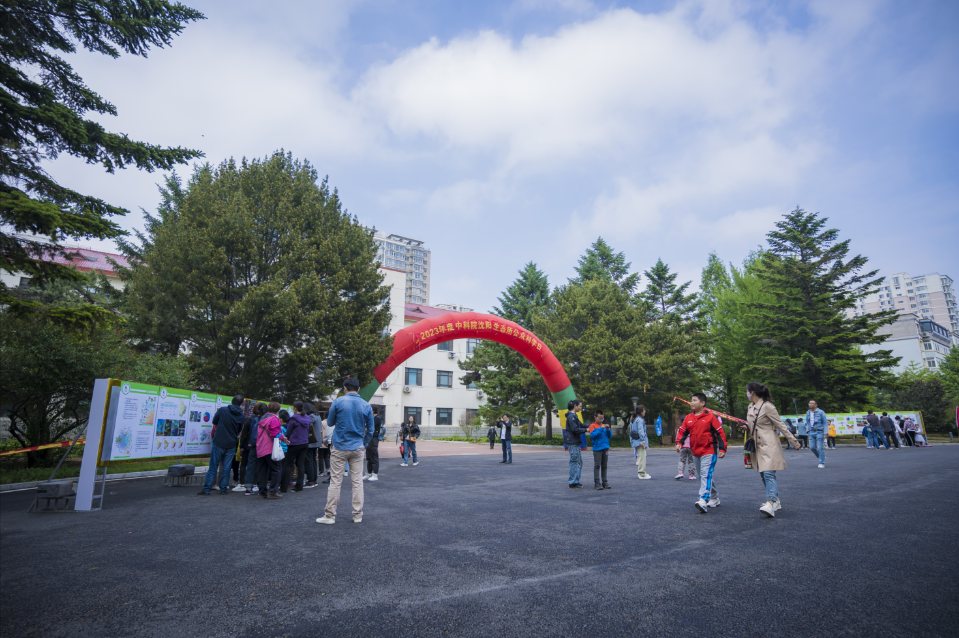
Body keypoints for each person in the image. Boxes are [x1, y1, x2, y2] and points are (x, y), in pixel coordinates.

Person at [316, 377, 374, 525]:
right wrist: (364, 443)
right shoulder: (366, 405)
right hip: (357, 447)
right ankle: (357, 515)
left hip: (340, 446)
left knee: (335, 481)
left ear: (344, 388)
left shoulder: (338, 402)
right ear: (359, 389)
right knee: (357, 482)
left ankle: (330, 515)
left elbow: (330, 422)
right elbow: (371, 430)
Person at [744, 383, 802, 518]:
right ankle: (775, 500)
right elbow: (754, 425)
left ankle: (770, 503)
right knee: (763, 474)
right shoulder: (750, 407)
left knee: (768, 473)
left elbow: (780, 425)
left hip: (769, 444)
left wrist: (794, 442)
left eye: (747, 391)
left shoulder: (768, 406)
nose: (746, 394)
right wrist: (746, 427)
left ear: (752, 392)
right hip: (757, 445)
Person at [675, 393, 727, 513]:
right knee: (703, 475)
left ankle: (703, 500)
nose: (691, 402)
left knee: (705, 474)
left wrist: (722, 449)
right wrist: (679, 443)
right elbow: (683, 431)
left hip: (709, 450)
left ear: (703, 403)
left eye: (694, 400)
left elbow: (720, 433)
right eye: (691, 400)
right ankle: (714, 497)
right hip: (695, 451)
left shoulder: (710, 417)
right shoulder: (688, 418)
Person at [199, 395, 244, 495]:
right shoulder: (241, 415)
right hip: (231, 443)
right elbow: (239, 430)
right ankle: (223, 488)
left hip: (219, 441)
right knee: (227, 467)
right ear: (241, 404)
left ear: (231, 401)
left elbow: (214, 421)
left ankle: (207, 489)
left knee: (213, 466)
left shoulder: (222, 410)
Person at [255, 403, 287, 499]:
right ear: (278, 411)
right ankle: (273, 491)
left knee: (262, 470)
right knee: (277, 469)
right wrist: (283, 438)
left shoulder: (262, 418)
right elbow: (275, 434)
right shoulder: (274, 419)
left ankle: (262, 492)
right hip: (270, 448)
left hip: (260, 447)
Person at [279, 401, 311, 492]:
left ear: (295, 408)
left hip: (294, 443)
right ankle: (299, 487)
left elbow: (288, 432)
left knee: (288, 464)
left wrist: (287, 439)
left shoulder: (293, 419)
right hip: (304, 443)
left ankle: (284, 488)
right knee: (300, 464)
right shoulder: (308, 418)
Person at [240, 402, 266, 495]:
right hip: (263, 445)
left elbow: (247, 433)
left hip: (252, 445)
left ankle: (248, 487)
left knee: (250, 465)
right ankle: (260, 486)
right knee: (262, 466)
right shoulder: (267, 420)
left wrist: (242, 446)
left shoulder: (253, 420)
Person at [564, 399, 587, 488]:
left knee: (579, 461)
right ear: (575, 406)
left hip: (575, 442)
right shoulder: (571, 417)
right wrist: (586, 430)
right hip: (572, 442)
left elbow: (581, 425)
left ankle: (575, 481)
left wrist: (593, 425)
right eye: (580, 406)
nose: (581, 408)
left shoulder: (574, 416)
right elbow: (575, 429)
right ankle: (573, 482)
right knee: (575, 462)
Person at [587, 410, 612, 490]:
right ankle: (597, 483)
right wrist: (601, 428)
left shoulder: (603, 425)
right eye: (599, 418)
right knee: (597, 466)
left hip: (605, 448)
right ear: (595, 417)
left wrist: (608, 429)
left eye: (602, 418)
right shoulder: (592, 426)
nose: (601, 420)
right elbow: (593, 435)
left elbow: (609, 436)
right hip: (597, 449)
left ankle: (605, 481)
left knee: (604, 466)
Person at [303, 402, 322, 488]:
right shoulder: (317, 415)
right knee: (313, 460)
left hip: (310, 441)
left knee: (309, 461)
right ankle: (314, 479)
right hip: (316, 441)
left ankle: (310, 480)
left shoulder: (310, 416)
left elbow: (307, 426)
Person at [630, 405, 651, 480]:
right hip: (640, 441)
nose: (645, 412)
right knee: (642, 457)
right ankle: (642, 473)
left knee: (641, 456)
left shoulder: (634, 419)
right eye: (644, 410)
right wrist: (643, 441)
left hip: (635, 441)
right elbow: (641, 431)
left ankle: (641, 472)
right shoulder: (640, 420)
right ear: (641, 412)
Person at [806, 400, 827, 468]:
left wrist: (826, 432)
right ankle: (821, 456)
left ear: (816, 405)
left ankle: (821, 462)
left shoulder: (821, 412)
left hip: (819, 432)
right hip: (811, 432)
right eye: (809, 403)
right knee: (812, 447)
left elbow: (825, 422)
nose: (810, 404)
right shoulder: (808, 412)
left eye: (812, 403)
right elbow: (807, 422)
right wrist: (808, 430)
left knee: (820, 448)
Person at [364, 405, 381, 481]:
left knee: (374, 455)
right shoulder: (371, 418)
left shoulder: (377, 418)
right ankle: (369, 473)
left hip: (374, 438)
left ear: (373, 410)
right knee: (368, 456)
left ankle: (375, 474)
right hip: (369, 438)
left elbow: (369, 425)